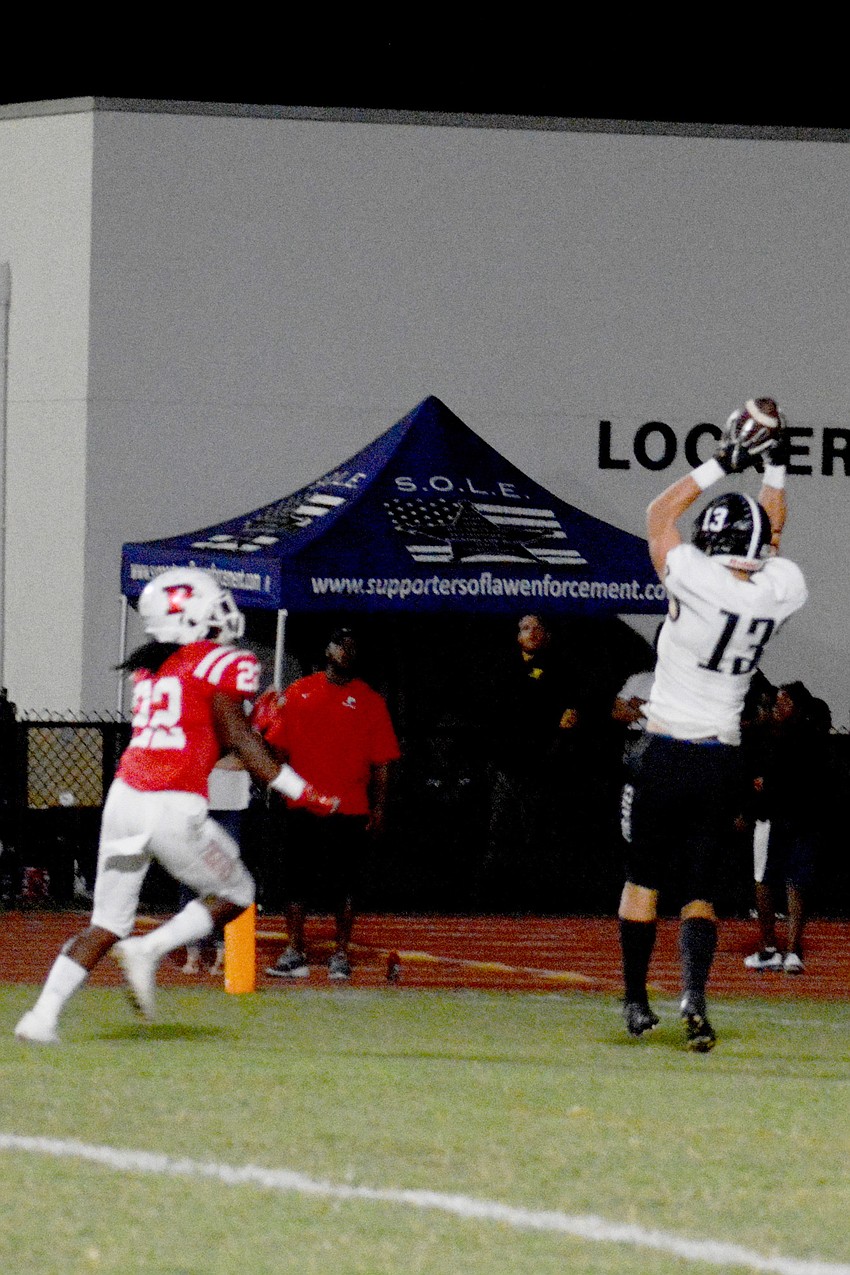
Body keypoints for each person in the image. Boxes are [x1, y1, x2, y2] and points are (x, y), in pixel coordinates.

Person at [14, 567, 339, 1044]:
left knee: (106, 923)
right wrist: (301, 790)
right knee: (239, 892)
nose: (222, 616)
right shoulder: (220, 663)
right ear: (189, 617)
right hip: (171, 804)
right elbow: (241, 741)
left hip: (124, 797)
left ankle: (40, 1017)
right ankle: (150, 950)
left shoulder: (151, 665)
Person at [618, 397, 808, 1051]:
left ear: (710, 543)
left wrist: (722, 462)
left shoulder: (694, 576)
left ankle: (637, 999)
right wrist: (775, 463)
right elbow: (774, 536)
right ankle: (694, 999)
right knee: (700, 888)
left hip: (667, 750)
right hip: (721, 757)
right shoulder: (778, 587)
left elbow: (657, 517)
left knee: (644, 878)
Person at [254, 626, 401, 980]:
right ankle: (294, 950)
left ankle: (340, 953)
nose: (346, 651)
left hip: (349, 807)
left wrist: (379, 808)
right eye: (340, 644)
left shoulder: (370, 701)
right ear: (327, 649)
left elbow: (382, 762)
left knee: (346, 885)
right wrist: (263, 728)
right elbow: (277, 749)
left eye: (353, 646)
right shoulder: (299, 692)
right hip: (301, 805)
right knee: (295, 880)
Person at [479, 613, 583, 910]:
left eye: (539, 628)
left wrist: (564, 724)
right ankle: (490, 901)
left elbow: (569, 715)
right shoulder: (502, 669)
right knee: (499, 835)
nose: (533, 633)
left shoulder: (561, 670)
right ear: (517, 636)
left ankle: (541, 903)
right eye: (526, 628)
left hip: (542, 768)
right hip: (506, 767)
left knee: (539, 837)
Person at [743, 683, 832, 974]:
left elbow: (770, 785)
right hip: (803, 818)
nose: (777, 708)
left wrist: (756, 802)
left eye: (784, 703)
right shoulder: (812, 737)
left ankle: (771, 948)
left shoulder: (779, 739)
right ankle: (792, 951)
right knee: (795, 883)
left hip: (779, 819)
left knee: (766, 881)